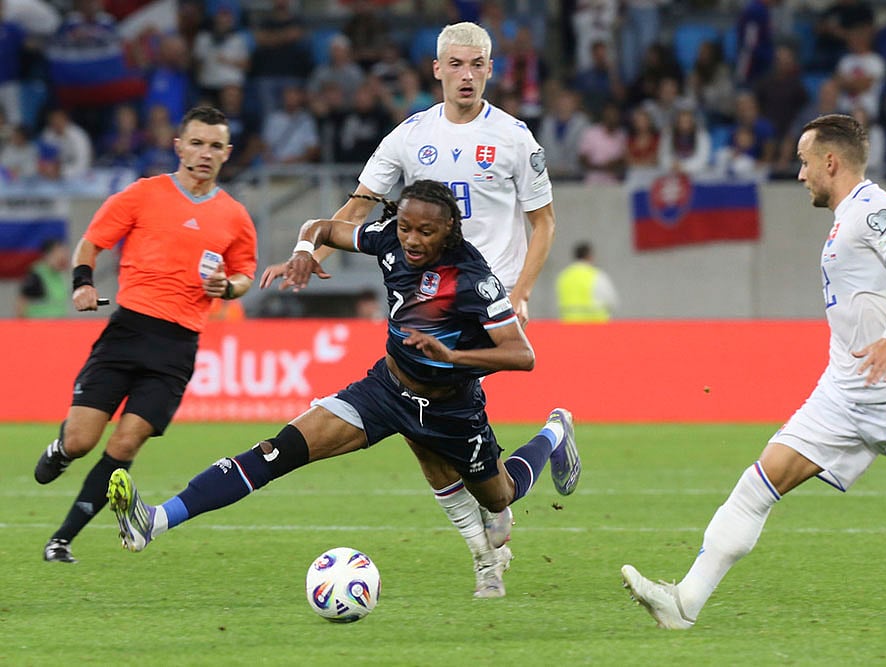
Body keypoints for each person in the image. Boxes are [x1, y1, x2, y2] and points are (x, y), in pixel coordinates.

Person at [107, 180, 581, 600]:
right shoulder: (390, 238)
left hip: (450, 409)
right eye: (407, 227)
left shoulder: (474, 281)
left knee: (500, 496)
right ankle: (154, 521)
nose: (412, 240)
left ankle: (554, 434)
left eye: (426, 232)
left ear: (450, 232)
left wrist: (454, 358)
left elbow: (523, 355)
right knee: (278, 450)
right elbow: (322, 226)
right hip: (385, 389)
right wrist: (303, 252)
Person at [621, 113, 886, 629]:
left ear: (829, 161)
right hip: (843, 392)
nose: (799, 175)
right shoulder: (846, 218)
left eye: (803, 163)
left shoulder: (873, 208)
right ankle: (684, 604)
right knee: (760, 482)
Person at [259, 22, 559, 598]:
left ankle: (491, 533)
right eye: (457, 64)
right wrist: (309, 246)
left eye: (477, 65)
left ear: (490, 70)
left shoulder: (517, 139)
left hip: (482, 302)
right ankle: (491, 541)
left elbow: (543, 221)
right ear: (438, 69)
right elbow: (360, 203)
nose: (467, 75)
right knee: (422, 424)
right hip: (427, 296)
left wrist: (520, 290)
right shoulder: (409, 136)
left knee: (425, 421)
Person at [33, 105, 258, 564]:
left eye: (215, 146)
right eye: (196, 143)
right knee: (81, 441)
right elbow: (92, 241)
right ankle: (61, 448)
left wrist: (227, 287)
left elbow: (245, 275)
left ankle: (62, 539)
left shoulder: (234, 216)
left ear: (227, 153)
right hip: (128, 333)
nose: (204, 153)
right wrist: (83, 283)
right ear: (178, 145)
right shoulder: (143, 194)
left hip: (177, 347)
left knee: (125, 443)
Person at [555, 241, 618, 322]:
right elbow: (612, 301)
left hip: (569, 327)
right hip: (593, 327)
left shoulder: (563, 276)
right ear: (589, 256)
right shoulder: (597, 276)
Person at [15, 237, 70, 318]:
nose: (63, 256)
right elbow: (21, 302)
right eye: (58, 253)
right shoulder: (37, 274)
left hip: (58, 324)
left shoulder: (60, 275)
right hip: (39, 325)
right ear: (48, 254)